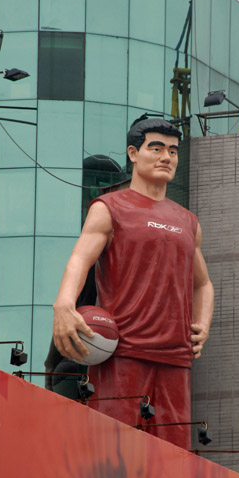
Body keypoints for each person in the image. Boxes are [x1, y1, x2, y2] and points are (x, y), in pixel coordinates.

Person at [52, 118, 214, 449]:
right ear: (133, 154)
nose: (166, 157)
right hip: (122, 349)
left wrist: (203, 324)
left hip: (175, 356)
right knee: (112, 448)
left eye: (172, 150)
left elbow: (204, 284)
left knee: (173, 454)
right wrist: (64, 305)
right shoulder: (109, 207)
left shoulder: (188, 222)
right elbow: (80, 259)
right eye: (156, 148)